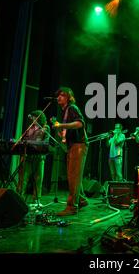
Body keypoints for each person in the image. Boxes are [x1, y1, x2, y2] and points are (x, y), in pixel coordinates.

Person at [52, 87, 89, 216]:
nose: (58, 97)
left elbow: (80, 124)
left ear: (68, 97)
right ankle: (82, 199)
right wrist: (61, 131)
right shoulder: (65, 111)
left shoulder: (72, 108)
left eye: (62, 95)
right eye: (58, 95)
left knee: (73, 176)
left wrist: (61, 125)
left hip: (78, 145)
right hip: (73, 145)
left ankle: (72, 207)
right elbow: (68, 129)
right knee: (72, 175)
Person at [17, 110, 50, 207]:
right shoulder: (29, 128)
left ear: (39, 118)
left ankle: (36, 199)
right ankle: (19, 198)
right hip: (28, 157)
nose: (33, 119)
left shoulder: (45, 128)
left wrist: (32, 143)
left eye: (35, 117)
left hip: (39, 157)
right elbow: (24, 140)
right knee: (23, 178)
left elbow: (46, 142)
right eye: (32, 117)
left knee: (38, 179)